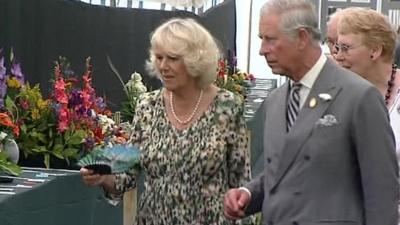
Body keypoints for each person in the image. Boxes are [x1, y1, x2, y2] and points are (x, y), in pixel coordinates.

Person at [223, 1, 399, 225]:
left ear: (302, 37)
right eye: (261, 39)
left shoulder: (359, 97)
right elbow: (286, 172)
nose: (262, 50)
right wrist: (248, 194)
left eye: (271, 39)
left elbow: (382, 192)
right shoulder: (274, 102)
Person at [81, 18, 253, 224]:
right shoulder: (147, 106)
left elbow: (242, 183)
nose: (163, 66)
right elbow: (127, 175)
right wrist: (104, 177)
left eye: (172, 58)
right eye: (159, 57)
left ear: (195, 60)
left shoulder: (227, 106)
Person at [335, 8, 400, 223]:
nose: (338, 56)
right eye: (337, 47)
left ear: (375, 51)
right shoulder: (338, 95)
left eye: (346, 48)